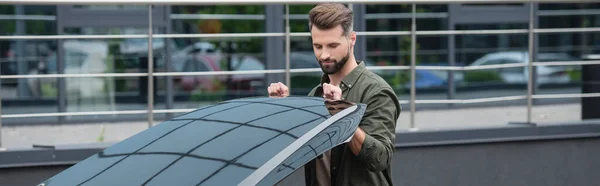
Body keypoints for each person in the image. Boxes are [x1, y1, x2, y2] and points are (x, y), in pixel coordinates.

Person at [267, 3, 401, 186]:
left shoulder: (376, 91)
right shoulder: (316, 94)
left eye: (332, 45)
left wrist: (343, 113)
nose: (324, 55)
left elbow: (379, 159)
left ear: (352, 39)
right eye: (317, 46)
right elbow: (294, 156)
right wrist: (284, 110)